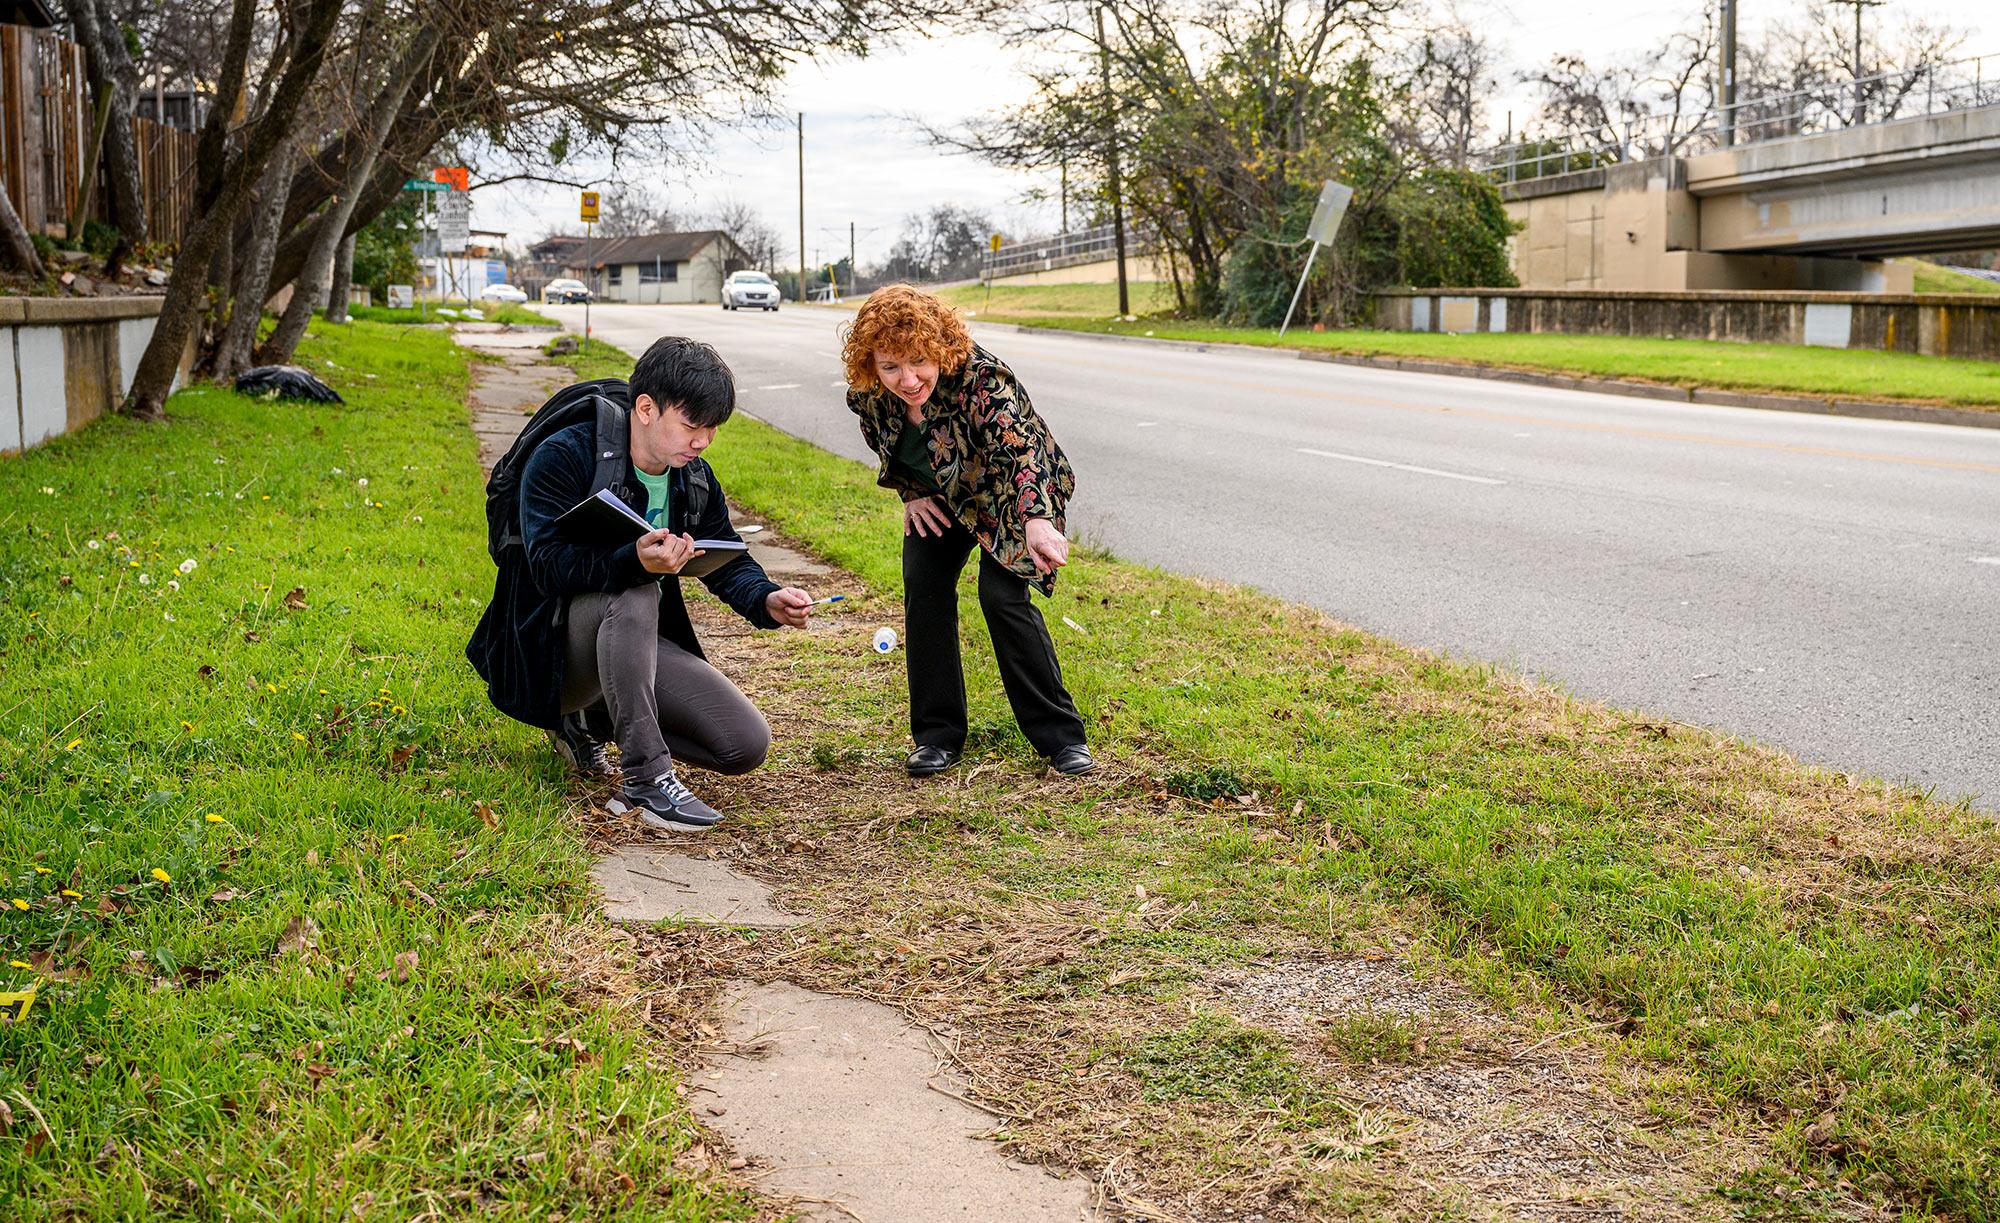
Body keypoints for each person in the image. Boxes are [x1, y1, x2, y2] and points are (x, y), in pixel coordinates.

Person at [468, 336, 813, 830]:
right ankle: (647, 779)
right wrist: (631, 560)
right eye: (692, 425)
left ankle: (592, 721)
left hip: (628, 644)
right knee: (633, 588)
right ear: (646, 408)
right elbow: (543, 565)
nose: (702, 442)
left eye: (712, 429)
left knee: (743, 744)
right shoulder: (566, 455)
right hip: (549, 654)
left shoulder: (692, 476)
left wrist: (767, 598)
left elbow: (726, 554)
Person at [841, 284, 1094, 778]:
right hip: (941, 494)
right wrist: (911, 494)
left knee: (1001, 598)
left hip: (1013, 495)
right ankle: (937, 736)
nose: (907, 379)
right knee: (924, 589)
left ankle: (1062, 739)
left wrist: (1037, 521)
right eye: (890, 366)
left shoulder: (983, 380)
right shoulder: (869, 395)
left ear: (938, 348)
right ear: (872, 363)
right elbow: (886, 444)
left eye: (917, 361)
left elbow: (1023, 454)